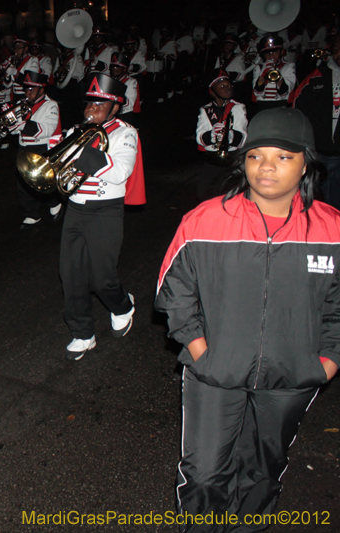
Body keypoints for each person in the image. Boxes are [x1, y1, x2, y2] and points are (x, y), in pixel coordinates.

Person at [155, 107, 339, 533]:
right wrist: (201, 349)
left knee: (262, 471)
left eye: (283, 156)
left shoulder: (332, 229)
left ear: (306, 163)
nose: (267, 167)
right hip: (214, 374)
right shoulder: (204, 220)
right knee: (203, 474)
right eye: (256, 156)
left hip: (291, 380)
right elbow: (173, 288)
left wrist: (326, 361)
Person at [60, 72, 145, 359]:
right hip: (75, 209)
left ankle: (123, 305)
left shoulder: (125, 133)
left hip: (104, 212)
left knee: (102, 278)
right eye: (89, 103)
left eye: (99, 104)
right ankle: (82, 333)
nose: (91, 109)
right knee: (70, 275)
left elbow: (120, 172)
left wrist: (84, 150)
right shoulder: (75, 130)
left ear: (114, 108)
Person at [5, 70, 62, 228]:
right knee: (23, 182)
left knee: (42, 182)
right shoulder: (21, 104)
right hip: (23, 147)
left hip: (40, 147)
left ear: (41, 90)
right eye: (26, 88)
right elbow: (15, 130)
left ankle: (54, 201)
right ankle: (32, 213)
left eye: (32, 89)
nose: (28, 92)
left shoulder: (50, 105)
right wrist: (9, 121)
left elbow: (48, 128)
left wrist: (24, 125)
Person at [291, 34, 340, 209]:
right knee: (316, 199)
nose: (339, 54)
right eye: (336, 50)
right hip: (319, 152)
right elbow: (297, 107)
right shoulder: (316, 76)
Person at [195, 70, 248, 200]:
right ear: (212, 91)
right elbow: (200, 137)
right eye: (223, 86)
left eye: (229, 85)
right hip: (212, 158)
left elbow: (242, 138)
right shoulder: (205, 110)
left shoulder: (238, 108)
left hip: (232, 158)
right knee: (202, 193)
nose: (228, 88)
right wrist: (213, 135)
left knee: (226, 194)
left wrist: (228, 135)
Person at [251, 35, 296, 112]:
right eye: (267, 53)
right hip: (262, 104)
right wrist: (263, 73)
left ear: (281, 52)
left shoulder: (288, 66)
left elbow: (284, 93)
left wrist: (276, 72)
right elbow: (257, 92)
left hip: (280, 104)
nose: (271, 55)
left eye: (275, 52)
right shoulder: (259, 68)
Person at [109, 53, 140, 125]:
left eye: (117, 67)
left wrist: (116, 91)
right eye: (112, 66)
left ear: (124, 69)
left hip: (124, 116)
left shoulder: (131, 82)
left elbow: (129, 105)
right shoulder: (110, 80)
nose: (114, 69)